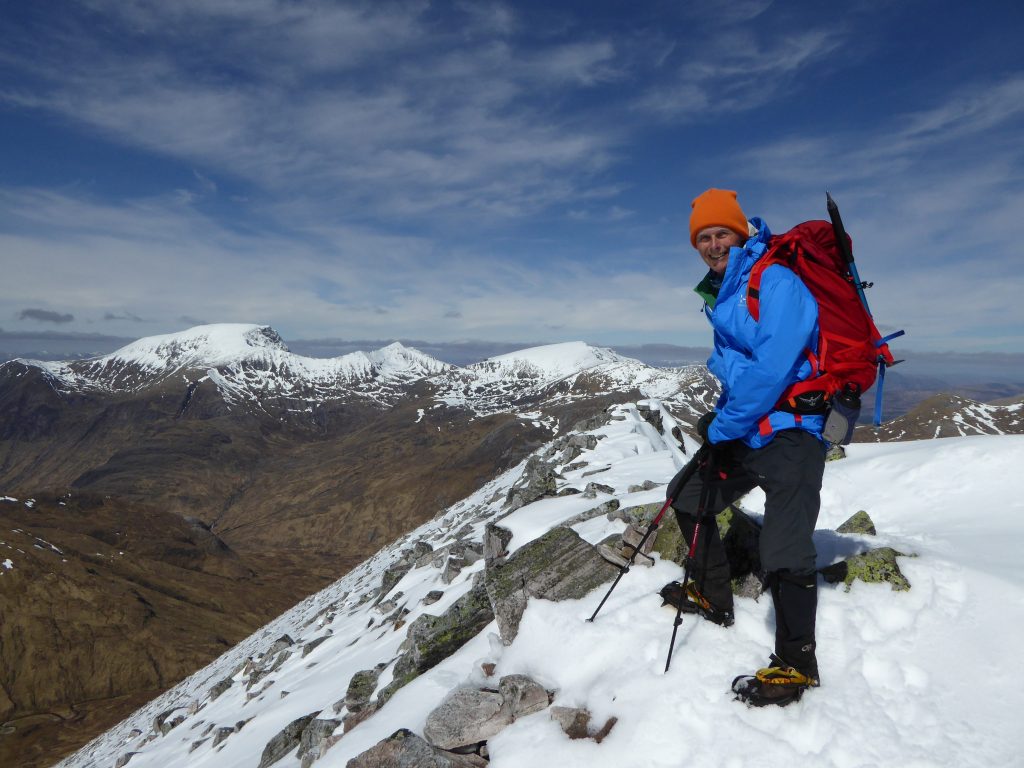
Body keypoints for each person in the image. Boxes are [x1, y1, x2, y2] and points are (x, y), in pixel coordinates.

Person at [662, 188, 826, 707]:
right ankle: (713, 596)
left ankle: (797, 664)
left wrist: (723, 425)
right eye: (704, 238)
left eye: (721, 234)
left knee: (785, 548)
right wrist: (726, 416)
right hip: (752, 428)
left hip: (794, 432)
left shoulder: (775, 281)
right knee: (686, 496)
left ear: (741, 234)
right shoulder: (723, 292)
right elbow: (738, 367)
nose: (713, 244)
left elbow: (772, 368)